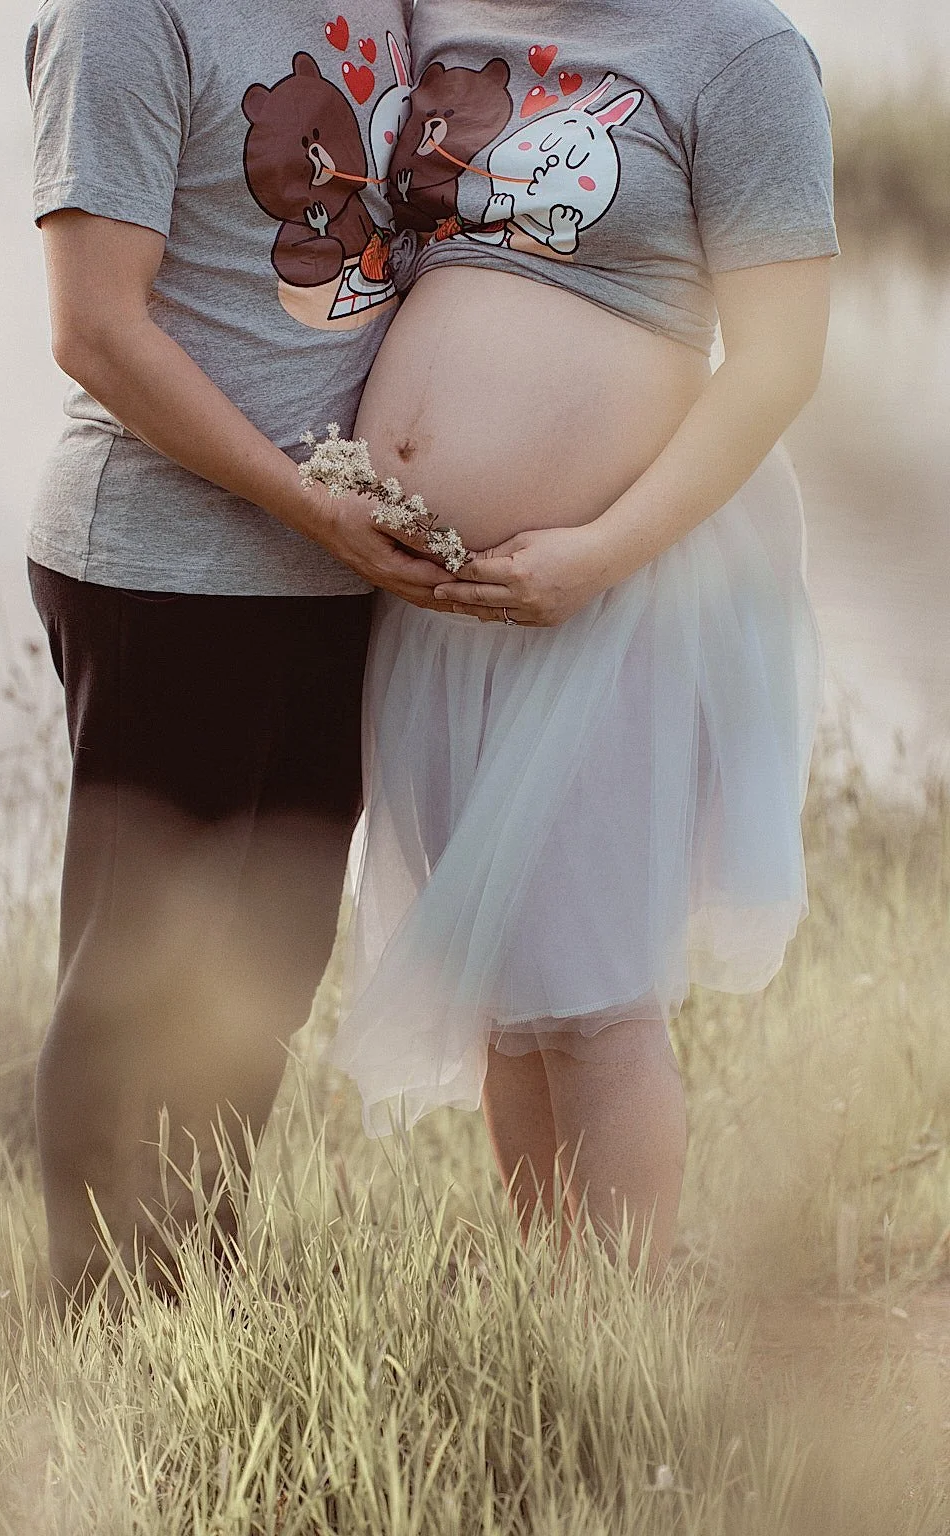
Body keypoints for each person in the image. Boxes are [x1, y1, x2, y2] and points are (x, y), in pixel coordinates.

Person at [324, 0, 841, 1272]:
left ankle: (629, 1347)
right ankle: (562, 1322)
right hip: (442, 608)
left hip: (620, 592)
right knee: (514, 1000)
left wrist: (601, 553)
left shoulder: (738, 52)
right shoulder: (424, 12)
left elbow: (778, 361)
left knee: (597, 999)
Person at [24, 0, 443, 1306]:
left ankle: (192, 1284)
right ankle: (101, 1325)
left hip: (331, 574)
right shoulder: (125, 18)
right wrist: (303, 501)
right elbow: (96, 327)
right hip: (165, 570)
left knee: (266, 965)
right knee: (138, 977)